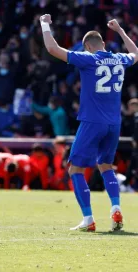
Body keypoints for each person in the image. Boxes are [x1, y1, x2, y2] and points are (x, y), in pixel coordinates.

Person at [40, 15, 138, 232]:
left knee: (75, 169)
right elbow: (136, 54)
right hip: (115, 123)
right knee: (106, 166)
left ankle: (88, 219)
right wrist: (121, 31)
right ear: (103, 43)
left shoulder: (88, 59)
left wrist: (45, 23)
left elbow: (52, 48)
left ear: (86, 47)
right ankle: (115, 206)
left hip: (92, 121)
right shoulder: (120, 59)